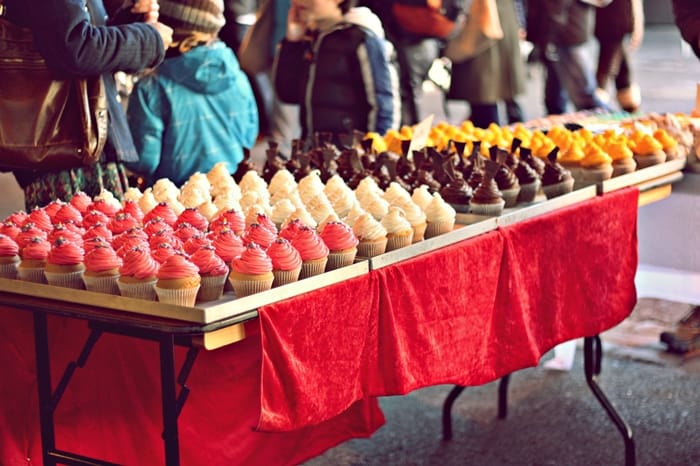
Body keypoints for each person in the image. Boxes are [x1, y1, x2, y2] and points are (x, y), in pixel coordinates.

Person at [3, 0, 172, 210]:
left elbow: (69, 37)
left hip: (80, 144)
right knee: (87, 240)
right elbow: (75, 47)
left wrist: (130, 21)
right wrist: (148, 40)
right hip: (69, 149)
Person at [127, 0, 259, 188]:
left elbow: (144, 162)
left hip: (172, 204)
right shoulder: (238, 77)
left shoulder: (150, 87)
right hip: (229, 196)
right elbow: (249, 138)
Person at [273, 0, 400, 146]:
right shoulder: (313, 37)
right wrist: (292, 42)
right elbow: (288, 93)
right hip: (314, 156)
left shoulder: (361, 39)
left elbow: (384, 106)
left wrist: (373, 156)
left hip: (350, 160)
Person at [447, 0, 526, 128]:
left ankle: (494, 139)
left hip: (482, 25)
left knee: (483, 96)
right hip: (495, 23)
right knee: (494, 96)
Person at [526, 0, 610, 115]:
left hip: (566, 32)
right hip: (561, 30)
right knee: (555, 98)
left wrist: (550, 33)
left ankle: (613, 128)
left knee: (586, 99)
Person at [594, 0, 643, 113]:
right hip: (614, 17)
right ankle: (596, 107)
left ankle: (629, 108)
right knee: (606, 66)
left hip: (615, 16)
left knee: (620, 68)